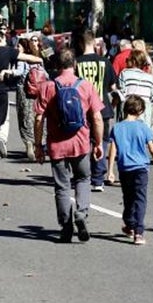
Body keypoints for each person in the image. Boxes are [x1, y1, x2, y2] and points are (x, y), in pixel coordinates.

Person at [34, 49, 104, 243]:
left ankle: (65, 226)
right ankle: (81, 214)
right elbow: (97, 118)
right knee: (83, 179)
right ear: (75, 65)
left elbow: (39, 119)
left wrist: (38, 145)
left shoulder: (47, 87)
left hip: (57, 145)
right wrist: (98, 143)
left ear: (57, 66)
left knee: (62, 186)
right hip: (80, 142)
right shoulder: (85, 86)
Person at [0, 29, 42, 158]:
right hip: (1, 89)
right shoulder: (8, 51)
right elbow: (26, 57)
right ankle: (0, 138)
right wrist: (38, 59)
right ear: (1, 38)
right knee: (3, 117)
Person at [106, 95, 153, 245]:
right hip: (141, 168)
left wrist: (110, 170)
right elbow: (152, 149)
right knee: (140, 199)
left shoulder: (117, 127)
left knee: (128, 197)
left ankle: (129, 224)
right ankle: (138, 232)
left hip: (124, 168)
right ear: (140, 111)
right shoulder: (143, 127)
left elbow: (112, 150)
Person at [76, 29, 118, 191]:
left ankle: (83, 175)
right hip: (103, 108)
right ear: (94, 42)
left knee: (84, 143)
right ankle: (98, 179)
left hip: (83, 109)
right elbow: (113, 87)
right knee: (102, 142)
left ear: (80, 43)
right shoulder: (105, 62)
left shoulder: (77, 63)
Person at [116, 50, 153, 137]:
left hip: (129, 111)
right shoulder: (149, 78)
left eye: (129, 59)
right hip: (145, 113)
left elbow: (121, 94)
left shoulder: (124, 74)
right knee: (143, 140)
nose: (127, 61)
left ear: (134, 61)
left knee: (127, 138)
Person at [12, 35, 42, 160]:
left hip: (24, 91)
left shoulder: (21, 60)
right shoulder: (38, 58)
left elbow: (19, 72)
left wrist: (8, 71)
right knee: (36, 117)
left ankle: (29, 144)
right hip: (37, 92)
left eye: (18, 46)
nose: (16, 48)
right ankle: (37, 144)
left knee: (24, 117)